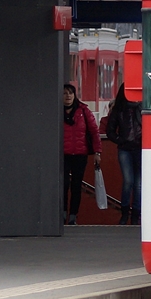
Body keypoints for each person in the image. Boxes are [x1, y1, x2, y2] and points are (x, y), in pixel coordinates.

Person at [63, 83, 101, 225]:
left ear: (75, 95)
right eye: (65, 94)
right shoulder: (55, 111)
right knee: (63, 185)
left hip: (80, 154)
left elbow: (94, 131)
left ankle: (73, 215)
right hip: (62, 155)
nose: (68, 96)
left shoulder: (83, 111)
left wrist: (98, 152)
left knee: (76, 186)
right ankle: (62, 213)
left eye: (70, 93)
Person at [105, 83, 142, 225]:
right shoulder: (118, 110)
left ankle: (134, 215)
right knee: (129, 181)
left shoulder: (142, 108)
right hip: (125, 149)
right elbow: (110, 131)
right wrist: (121, 140)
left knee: (138, 183)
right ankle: (126, 212)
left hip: (139, 148)